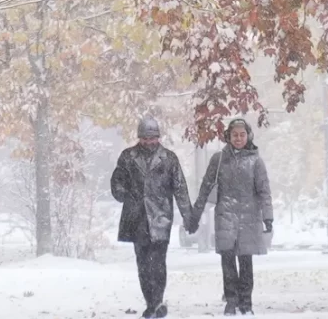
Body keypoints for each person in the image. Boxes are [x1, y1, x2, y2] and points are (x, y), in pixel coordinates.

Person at [111, 116, 197, 318]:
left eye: (152, 138)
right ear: (139, 138)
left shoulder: (169, 158)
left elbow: (180, 189)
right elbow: (117, 181)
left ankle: (157, 302)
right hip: (137, 218)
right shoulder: (128, 157)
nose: (149, 142)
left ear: (158, 137)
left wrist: (188, 217)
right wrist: (123, 194)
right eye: (145, 138)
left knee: (158, 263)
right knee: (143, 264)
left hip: (160, 217)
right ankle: (151, 302)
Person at [190, 118, 273, 316]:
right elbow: (206, 187)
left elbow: (264, 191)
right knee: (227, 261)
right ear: (228, 136)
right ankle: (231, 300)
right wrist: (195, 213)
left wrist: (268, 217)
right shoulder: (218, 160)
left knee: (246, 262)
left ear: (248, 136)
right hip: (225, 216)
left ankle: (246, 302)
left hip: (249, 218)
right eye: (235, 135)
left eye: (242, 135)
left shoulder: (256, 161)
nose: (238, 138)